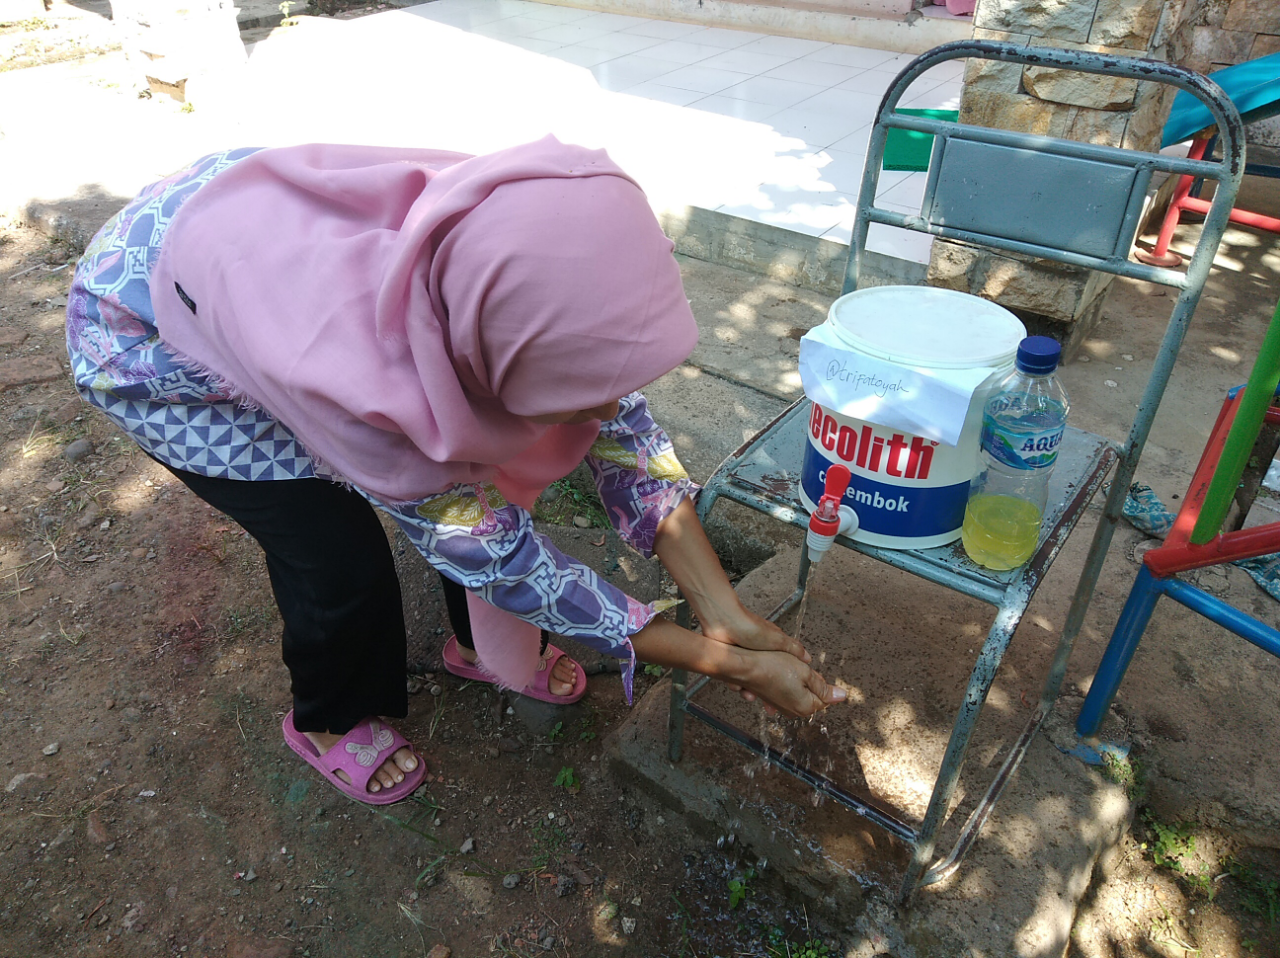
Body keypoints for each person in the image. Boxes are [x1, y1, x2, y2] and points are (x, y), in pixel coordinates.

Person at [65, 137, 845, 806]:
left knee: (488, 468)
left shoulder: (518, 264)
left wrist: (725, 613)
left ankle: (476, 645)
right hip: (151, 337)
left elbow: (624, 434)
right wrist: (726, 663)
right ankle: (330, 717)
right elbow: (498, 555)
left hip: (255, 245)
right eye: (592, 387)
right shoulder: (374, 391)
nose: (613, 405)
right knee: (335, 556)